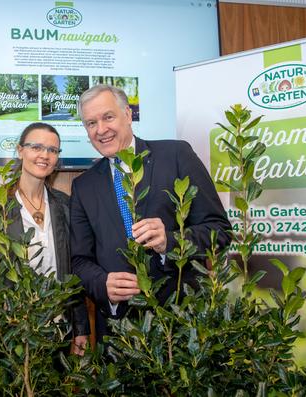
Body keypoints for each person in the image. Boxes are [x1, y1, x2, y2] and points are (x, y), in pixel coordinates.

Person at [70, 84, 231, 339]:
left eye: (108, 117)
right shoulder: (83, 186)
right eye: (91, 123)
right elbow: (79, 259)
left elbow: (219, 230)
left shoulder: (176, 155)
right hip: (119, 331)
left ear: (128, 114)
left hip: (182, 323)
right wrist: (102, 284)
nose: (101, 130)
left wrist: (171, 241)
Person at [0, 122, 90, 354]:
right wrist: (3, 308)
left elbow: (73, 272)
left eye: (53, 150)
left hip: (57, 330)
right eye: (36, 147)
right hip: (8, 333)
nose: (45, 155)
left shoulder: (65, 205)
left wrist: (80, 327)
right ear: (20, 150)